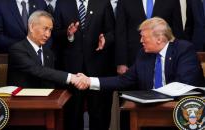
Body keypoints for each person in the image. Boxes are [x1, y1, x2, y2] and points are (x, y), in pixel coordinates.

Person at [74, 17, 205, 92]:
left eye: (143, 37)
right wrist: (89, 81)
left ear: (159, 39)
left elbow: (184, 85)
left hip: (181, 109)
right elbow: (123, 80)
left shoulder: (184, 50)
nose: (140, 41)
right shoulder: (143, 54)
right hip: (150, 110)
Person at [53, 0, 116, 130]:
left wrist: (106, 39)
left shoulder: (103, 3)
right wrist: (68, 34)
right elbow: (55, 34)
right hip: (71, 70)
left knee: (99, 115)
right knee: (72, 115)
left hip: (98, 68)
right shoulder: (62, 3)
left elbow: (112, 32)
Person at [7, 10, 85, 89]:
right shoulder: (17, 50)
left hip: (45, 99)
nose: (48, 35)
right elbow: (37, 70)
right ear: (31, 27)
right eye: (45, 29)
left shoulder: (48, 52)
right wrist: (70, 77)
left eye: (50, 30)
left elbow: (50, 79)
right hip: (21, 99)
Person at [115, 0, 184, 75]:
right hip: (133, 58)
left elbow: (177, 31)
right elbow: (120, 32)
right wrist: (121, 62)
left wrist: (178, 59)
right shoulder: (123, 1)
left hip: (165, 58)